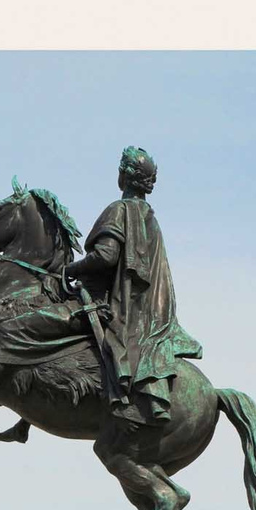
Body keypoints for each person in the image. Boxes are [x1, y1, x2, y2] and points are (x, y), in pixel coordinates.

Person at [65, 145, 202, 429]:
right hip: (148, 309)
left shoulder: (119, 210)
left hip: (124, 305)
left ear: (123, 176)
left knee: (63, 324)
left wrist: (70, 268)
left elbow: (106, 256)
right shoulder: (150, 217)